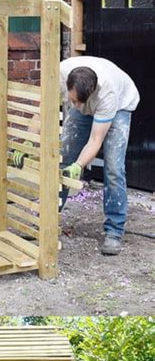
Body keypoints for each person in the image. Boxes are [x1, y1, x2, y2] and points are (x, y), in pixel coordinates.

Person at [58, 56, 139, 255]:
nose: (75, 107)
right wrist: (27, 142)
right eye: (73, 100)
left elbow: (96, 140)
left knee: (113, 168)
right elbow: (40, 108)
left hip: (120, 106)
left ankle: (114, 230)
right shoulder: (58, 75)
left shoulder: (107, 95)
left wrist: (78, 166)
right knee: (63, 158)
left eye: (79, 102)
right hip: (87, 97)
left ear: (93, 91)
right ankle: (47, 221)